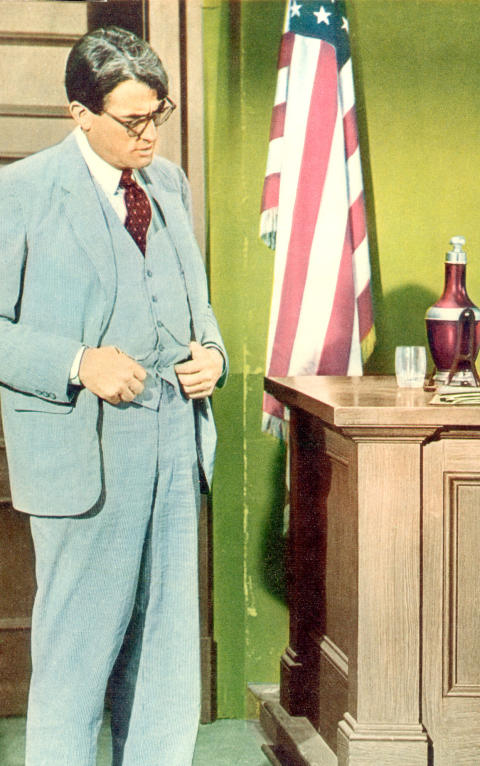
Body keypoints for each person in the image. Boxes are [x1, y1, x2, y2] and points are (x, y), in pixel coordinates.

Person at [0, 27, 226, 766]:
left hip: (173, 448)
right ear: (79, 113)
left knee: (165, 660)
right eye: (132, 121)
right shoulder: (21, 192)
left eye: (156, 116)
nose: (148, 136)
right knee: (74, 663)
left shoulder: (170, 184)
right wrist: (75, 360)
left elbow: (195, 302)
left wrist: (212, 357)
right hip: (83, 458)